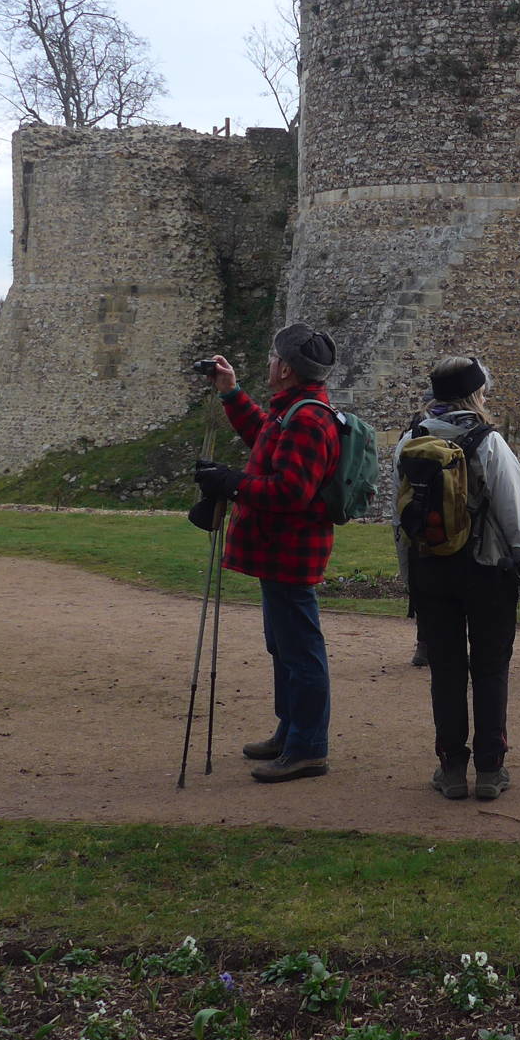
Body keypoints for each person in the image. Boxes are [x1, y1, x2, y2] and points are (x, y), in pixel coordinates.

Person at [194, 324, 343, 784]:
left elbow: (291, 491)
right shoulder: (293, 411)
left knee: (301, 653)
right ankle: (291, 731)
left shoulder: (308, 419)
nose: (270, 362)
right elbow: (264, 435)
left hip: (290, 552)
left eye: (275, 357)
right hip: (279, 551)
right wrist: (230, 391)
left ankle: (308, 748)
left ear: (286, 369)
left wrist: (231, 483)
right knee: (284, 647)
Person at [402, 355, 520, 801]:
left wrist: (411, 577)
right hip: (487, 570)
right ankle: (489, 769)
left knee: (445, 672)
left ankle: (450, 769)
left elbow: (400, 518)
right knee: (490, 668)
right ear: (475, 393)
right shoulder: (488, 442)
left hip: (431, 568)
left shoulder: (412, 438)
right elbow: (516, 512)